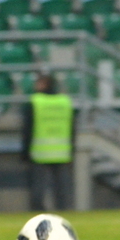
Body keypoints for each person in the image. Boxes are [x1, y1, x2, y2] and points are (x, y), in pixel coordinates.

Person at [21, 73, 76, 212]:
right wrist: (72, 149)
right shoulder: (64, 101)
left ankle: (38, 211)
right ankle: (64, 211)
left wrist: (25, 151)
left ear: (43, 84)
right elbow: (72, 127)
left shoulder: (36, 102)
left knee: (38, 186)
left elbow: (28, 128)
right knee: (62, 186)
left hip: (40, 151)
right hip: (62, 151)